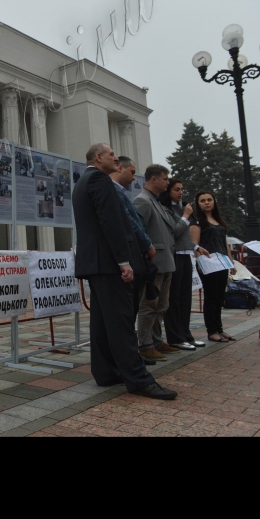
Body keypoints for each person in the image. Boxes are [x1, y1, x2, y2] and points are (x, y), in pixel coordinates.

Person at [73, 143, 177, 400]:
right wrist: (123, 261)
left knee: (102, 323)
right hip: (109, 264)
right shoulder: (99, 179)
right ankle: (139, 380)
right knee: (120, 323)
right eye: (111, 155)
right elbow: (111, 222)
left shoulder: (83, 180)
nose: (116, 158)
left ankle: (106, 372)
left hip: (95, 264)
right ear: (98, 157)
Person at [134, 165, 189, 363]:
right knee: (149, 305)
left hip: (166, 261)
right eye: (165, 179)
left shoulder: (154, 201)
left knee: (161, 305)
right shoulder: (142, 201)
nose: (168, 182)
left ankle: (157, 341)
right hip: (154, 262)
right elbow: (138, 233)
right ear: (154, 179)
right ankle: (145, 344)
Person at [159, 180, 206, 351]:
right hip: (174, 256)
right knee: (174, 298)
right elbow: (173, 232)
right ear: (168, 191)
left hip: (186, 255)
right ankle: (175, 337)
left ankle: (186, 335)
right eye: (176, 189)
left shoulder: (182, 207)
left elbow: (184, 235)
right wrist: (185, 217)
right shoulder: (166, 209)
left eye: (182, 189)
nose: (180, 193)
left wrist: (195, 247)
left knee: (186, 298)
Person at [110, 157, 157, 322]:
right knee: (128, 310)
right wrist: (147, 244)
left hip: (136, 255)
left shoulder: (121, 192)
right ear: (120, 168)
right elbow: (130, 222)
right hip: (129, 256)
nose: (134, 178)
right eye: (132, 172)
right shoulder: (113, 191)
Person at [190, 192, 236, 343]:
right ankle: (212, 331)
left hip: (222, 262)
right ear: (198, 204)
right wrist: (200, 264)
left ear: (214, 202)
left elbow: (225, 244)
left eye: (209, 200)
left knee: (219, 298)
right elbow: (195, 246)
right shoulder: (197, 223)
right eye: (202, 201)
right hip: (208, 264)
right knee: (210, 298)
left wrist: (232, 263)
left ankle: (220, 329)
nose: (207, 203)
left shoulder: (219, 221)